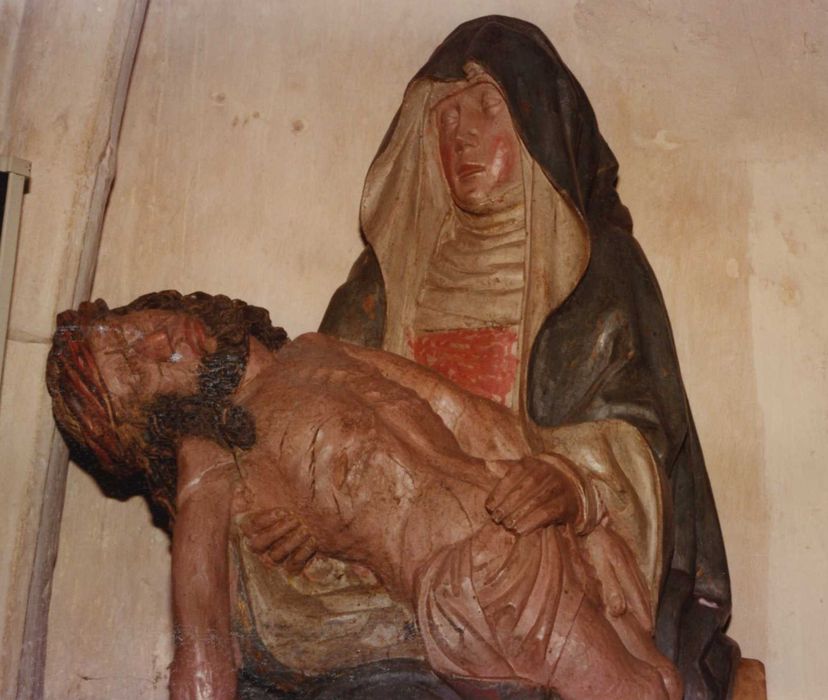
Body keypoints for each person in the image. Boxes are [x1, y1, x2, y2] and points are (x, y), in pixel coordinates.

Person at [317, 15, 739, 699]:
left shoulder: (603, 273)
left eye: (489, 108)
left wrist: (568, 482)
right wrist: (304, 512)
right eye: (446, 117)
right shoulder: (382, 287)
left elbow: (644, 443)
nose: (462, 136)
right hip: (389, 564)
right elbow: (322, 405)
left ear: (540, 127)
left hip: (540, 564)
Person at [47, 291, 681, 700]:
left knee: (663, 680)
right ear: (150, 424)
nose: (158, 341)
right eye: (135, 369)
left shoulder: (314, 350)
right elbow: (204, 641)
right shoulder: (209, 464)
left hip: (532, 511)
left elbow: (466, 415)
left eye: (129, 329)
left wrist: (577, 499)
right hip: (481, 581)